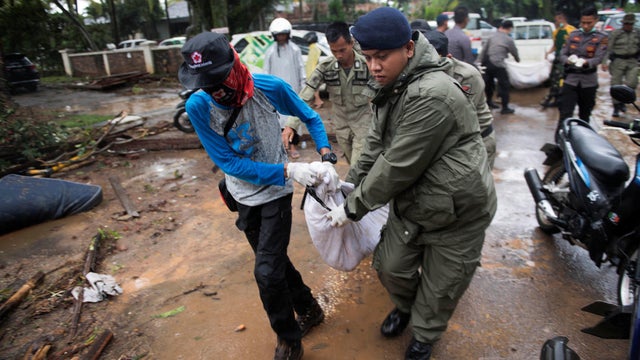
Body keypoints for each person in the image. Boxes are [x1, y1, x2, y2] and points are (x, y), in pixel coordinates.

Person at [328, 8, 497, 360]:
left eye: (381, 57)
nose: (374, 66)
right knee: (391, 268)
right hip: (417, 201)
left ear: (407, 48)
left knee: (441, 287)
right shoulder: (395, 83)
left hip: (457, 211)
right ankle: (406, 308)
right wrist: (349, 186)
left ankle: (424, 335)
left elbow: (397, 167)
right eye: (369, 57)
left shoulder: (431, 92)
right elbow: (374, 144)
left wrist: (353, 207)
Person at [179, 31, 337, 360]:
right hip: (243, 192)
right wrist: (288, 170)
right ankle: (309, 308)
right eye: (206, 85)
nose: (215, 91)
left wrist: (324, 153)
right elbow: (228, 162)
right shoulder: (198, 105)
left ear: (234, 65)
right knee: (273, 264)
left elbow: (310, 115)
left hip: (276, 194)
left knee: (265, 272)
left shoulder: (269, 88)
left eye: (219, 80)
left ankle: (288, 340)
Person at [286, 21, 374, 165]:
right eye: (334, 51)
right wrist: (291, 124)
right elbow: (306, 94)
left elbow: (383, 91)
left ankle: (355, 187)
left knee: (359, 166)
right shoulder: (326, 67)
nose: (338, 55)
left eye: (342, 50)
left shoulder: (367, 66)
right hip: (341, 126)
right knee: (351, 162)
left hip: (363, 123)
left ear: (351, 43)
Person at [419, 28, 497, 169]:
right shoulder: (422, 73)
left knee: (478, 187)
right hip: (456, 143)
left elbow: (460, 119)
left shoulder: (467, 76)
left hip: (479, 140)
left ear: (448, 57)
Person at [558, 7, 608, 131]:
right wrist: (567, 60)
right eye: (583, 22)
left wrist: (586, 62)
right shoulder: (573, 35)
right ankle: (560, 143)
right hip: (571, 80)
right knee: (565, 114)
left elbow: (598, 58)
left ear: (596, 20)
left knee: (584, 116)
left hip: (588, 81)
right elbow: (562, 54)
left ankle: (582, 142)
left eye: (589, 23)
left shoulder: (602, 37)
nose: (585, 26)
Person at [264, 17, 306, 159]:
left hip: (292, 90)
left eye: (283, 34)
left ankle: (293, 146)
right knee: (277, 120)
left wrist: (303, 87)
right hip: (275, 93)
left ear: (288, 34)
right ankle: (282, 148)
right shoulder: (269, 52)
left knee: (293, 119)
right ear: (274, 36)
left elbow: (301, 69)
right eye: (279, 35)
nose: (281, 37)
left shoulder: (295, 50)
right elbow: (266, 73)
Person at [603, 13, 640, 117]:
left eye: (630, 24)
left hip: (632, 60)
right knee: (615, 84)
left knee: (632, 83)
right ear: (623, 24)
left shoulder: (637, 33)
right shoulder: (616, 33)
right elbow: (608, 48)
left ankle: (623, 101)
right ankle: (616, 106)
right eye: (626, 23)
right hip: (618, 61)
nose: (628, 26)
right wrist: (604, 62)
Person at [479, 20, 520, 114]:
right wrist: (518, 60)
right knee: (504, 84)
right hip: (498, 64)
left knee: (489, 84)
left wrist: (478, 62)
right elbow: (514, 52)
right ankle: (505, 107)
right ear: (510, 28)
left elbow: (484, 50)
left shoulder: (491, 36)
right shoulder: (508, 39)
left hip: (487, 63)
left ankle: (489, 102)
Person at [541, 11, 577, 108]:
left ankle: (562, 100)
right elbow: (555, 46)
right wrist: (548, 53)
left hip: (567, 59)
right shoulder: (556, 32)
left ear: (562, 19)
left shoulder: (571, 30)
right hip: (557, 58)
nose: (555, 22)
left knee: (563, 80)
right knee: (554, 79)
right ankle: (555, 100)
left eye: (556, 20)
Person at [303, 31, 324, 109]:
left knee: (314, 89)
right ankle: (316, 102)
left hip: (312, 72)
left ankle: (319, 102)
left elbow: (311, 63)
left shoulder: (313, 49)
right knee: (315, 89)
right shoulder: (315, 48)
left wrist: (310, 75)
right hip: (313, 72)